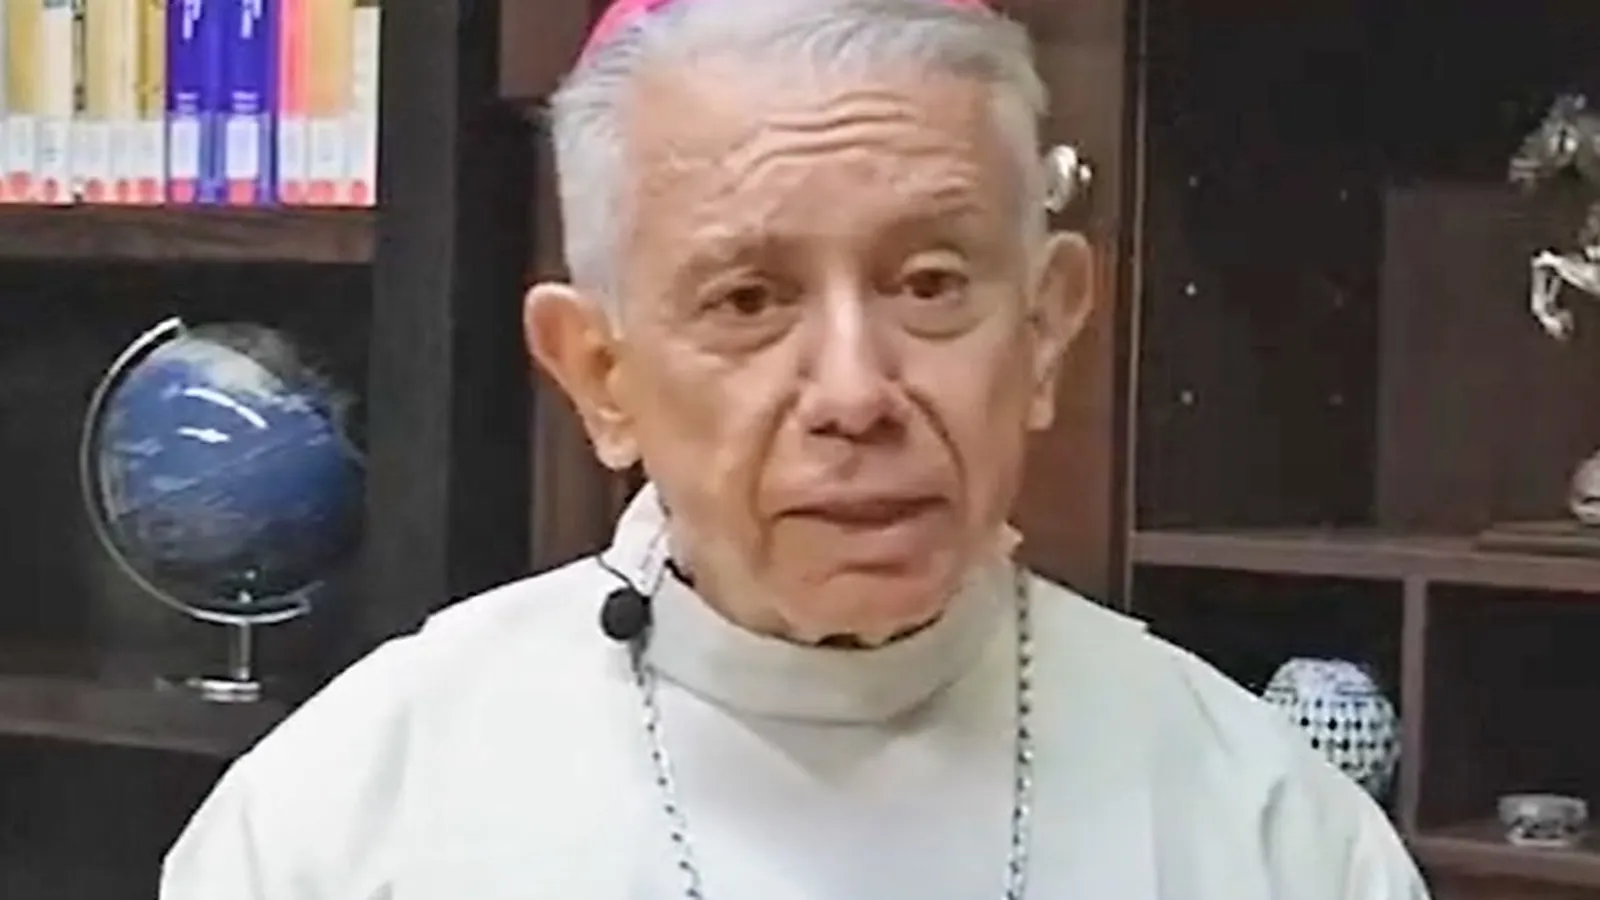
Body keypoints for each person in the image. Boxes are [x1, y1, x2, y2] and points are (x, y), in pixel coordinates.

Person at [159, 0, 1431, 897]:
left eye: (929, 284)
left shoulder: (1269, 835)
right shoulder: (340, 826)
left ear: (1045, 330)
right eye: (749, 300)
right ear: (600, 375)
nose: (856, 392)